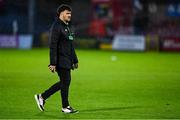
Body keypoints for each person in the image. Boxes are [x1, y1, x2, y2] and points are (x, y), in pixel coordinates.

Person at [34, 4, 79, 114]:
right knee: (65, 82)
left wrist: (75, 60)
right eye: (67, 13)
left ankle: (42, 97)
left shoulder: (66, 26)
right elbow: (52, 45)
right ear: (61, 14)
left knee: (64, 82)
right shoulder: (56, 26)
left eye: (70, 13)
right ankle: (65, 106)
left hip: (67, 60)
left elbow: (70, 45)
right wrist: (53, 63)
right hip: (60, 60)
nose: (69, 15)